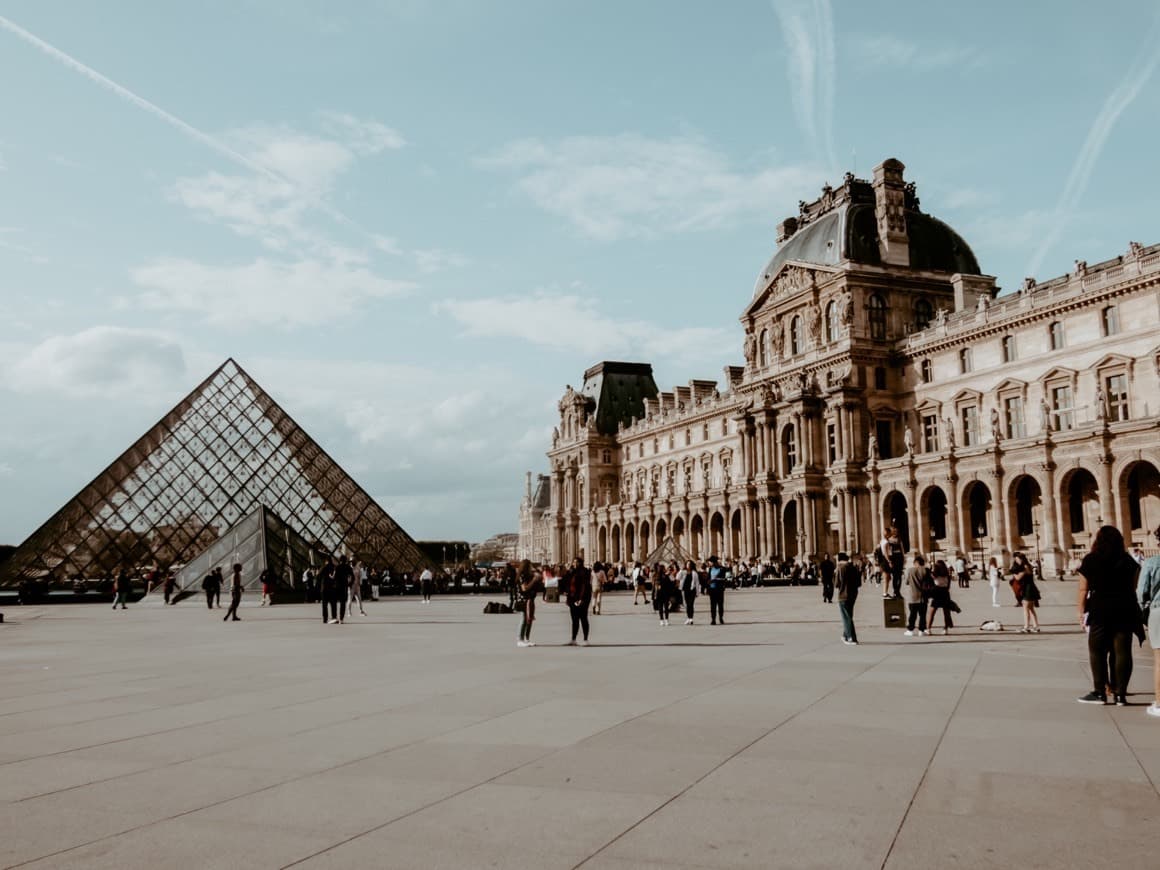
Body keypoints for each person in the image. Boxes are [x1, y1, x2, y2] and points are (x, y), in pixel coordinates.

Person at [1077, 526, 1145, 705]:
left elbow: (1083, 589)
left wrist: (1081, 611)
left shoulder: (1091, 559)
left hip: (1100, 610)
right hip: (1125, 608)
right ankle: (1120, 693)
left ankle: (1099, 692)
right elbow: (1134, 587)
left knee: (1097, 651)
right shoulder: (1128, 560)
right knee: (1122, 652)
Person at [1135, 525, 1160, 718]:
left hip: (1159, 611)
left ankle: (1159, 703)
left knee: (1159, 659)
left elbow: (1141, 593)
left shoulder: (1152, 563)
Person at [565, 557, 592, 645]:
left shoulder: (584, 572)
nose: (575, 564)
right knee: (574, 619)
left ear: (581, 563)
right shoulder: (572, 572)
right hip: (573, 598)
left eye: (577, 562)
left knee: (583, 618)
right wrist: (568, 598)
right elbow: (569, 585)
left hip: (582, 598)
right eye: (574, 562)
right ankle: (573, 639)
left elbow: (585, 587)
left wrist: (581, 599)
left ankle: (585, 639)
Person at [835, 552, 861, 645]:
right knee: (849, 615)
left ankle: (851, 637)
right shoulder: (854, 567)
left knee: (846, 617)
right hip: (853, 594)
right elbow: (859, 583)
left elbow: (837, 584)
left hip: (843, 595)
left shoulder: (840, 568)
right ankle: (845, 635)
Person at [1011, 553, 1040, 633]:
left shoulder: (1025, 567)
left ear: (1022, 559)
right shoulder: (1029, 565)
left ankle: (1026, 626)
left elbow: (1018, 577)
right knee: (1031, 609)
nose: (1017, 561)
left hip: (1027, 589)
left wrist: (1013, 572)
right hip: (1031, 588)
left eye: (1017, 559)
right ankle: (1036, 626)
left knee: (1026, 609)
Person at [516, 561, 543, 647]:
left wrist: (537, 577)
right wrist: (534, 580)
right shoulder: (522, 576)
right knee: (524, 619)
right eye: (530, 565)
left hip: (531, 599)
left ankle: (527, 639)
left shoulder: (530, 575)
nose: (532, 567)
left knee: (529, 619)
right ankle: (520, 639)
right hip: (524, 600)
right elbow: (524, 588)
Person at [902, 555, 929, 637]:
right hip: (923, 597)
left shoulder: (910, 570)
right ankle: (921, 630)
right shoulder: (926, 570)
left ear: (915, 563)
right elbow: (929, 583)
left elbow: (906, 582)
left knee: (912, 614)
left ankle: (910, 630)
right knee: (923, 615)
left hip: (913, 597)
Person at [927, 559, 955, 635]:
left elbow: (929, 576)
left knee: (932, 612)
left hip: (937, 592)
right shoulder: (947, 576)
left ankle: (928, 628)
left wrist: (931, 567)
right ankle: (945, 629)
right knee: (946, 612)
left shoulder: (935, 575)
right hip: (945, 592)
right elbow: (948, 587)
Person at [707, 556, 727, 625]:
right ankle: (713, 619)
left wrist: (716, 580)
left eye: (710, 562)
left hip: (719, 589)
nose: (709, 563)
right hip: (712, 589)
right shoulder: (710, 569)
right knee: (713, 605)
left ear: (714, 562)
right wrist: (708, 582)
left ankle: (721, 617)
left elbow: (725, 579)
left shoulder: (722, 569)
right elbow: (708, 578)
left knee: (720, 604)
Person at [319, 558, 339, 624]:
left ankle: (325, 619)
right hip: (333, 588)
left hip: (324, 588)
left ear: (326, 561)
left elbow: (318, 576)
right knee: (333, 604)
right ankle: (334, 617)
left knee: (324, 605)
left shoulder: (324, 567)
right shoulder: (334, 567)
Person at [680, 559, 699, 625]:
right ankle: (688, 618)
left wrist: (697, 592)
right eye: (687, 564)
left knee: (691, 604)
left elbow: (697, 583)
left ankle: (691, 619)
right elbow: (677, 577)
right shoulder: (683, 572)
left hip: (692, 590)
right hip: (685, 590)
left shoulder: (694, 573)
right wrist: (681, 570)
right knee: (687, 605)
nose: (689, 565)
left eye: (690, 564)